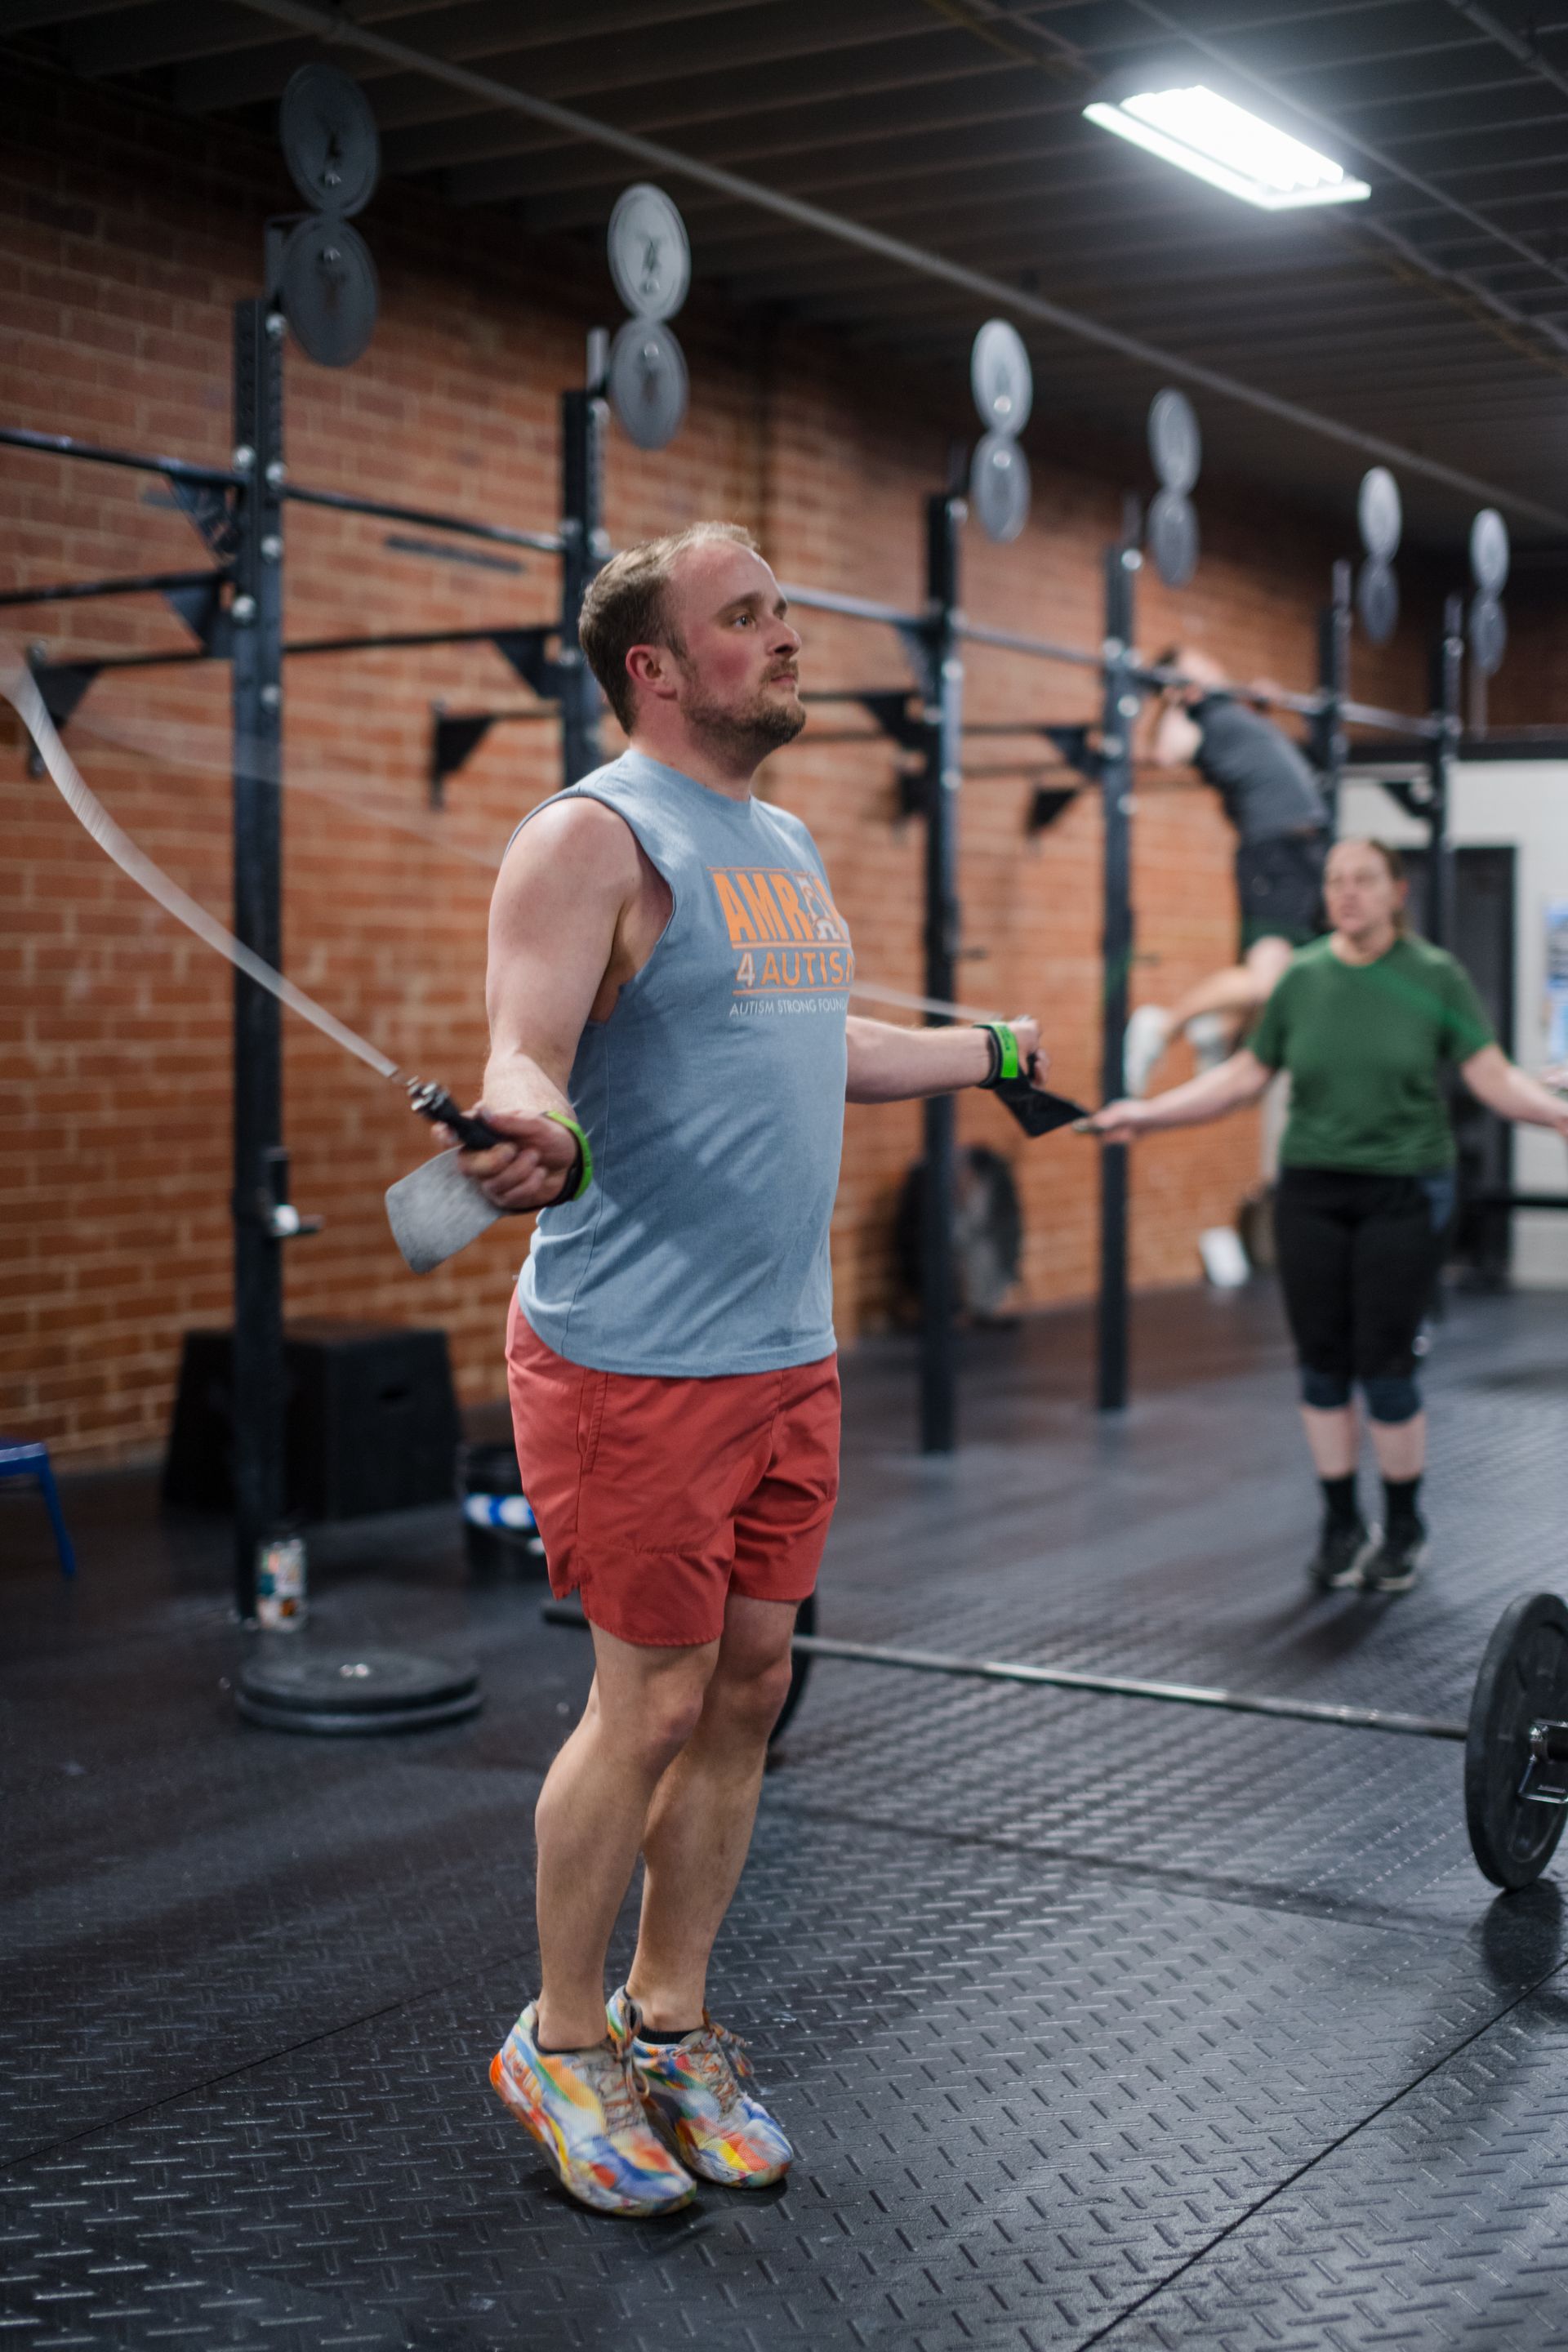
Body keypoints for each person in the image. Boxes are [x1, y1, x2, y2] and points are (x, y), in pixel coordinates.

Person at [452, 520, 1057, 2219]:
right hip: (636, 1361)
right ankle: (561, 2043)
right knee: (645, 1703)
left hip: (788, 1351)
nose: (788, 638)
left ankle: (673, 2023)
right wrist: (524, 1122)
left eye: (784, 610)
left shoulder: (779, 837)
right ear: (655, 667)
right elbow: (525, 1050)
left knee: (747, 1690)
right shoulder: (591, 836)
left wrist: (985, 1053)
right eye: (748, 617)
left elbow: (810, 1036)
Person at [1093, 838, 1568, 1596]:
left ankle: (1403, 1527)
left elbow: (1492, 1077)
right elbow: (1244, 1076)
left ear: (1396, 892)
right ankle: (1340, 1523)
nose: (1346, 893)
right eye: (1335, 881)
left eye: (1363, 880)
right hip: (1312, 1189)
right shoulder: (1301, 978)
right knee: (1321, 1364)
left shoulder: (1435, 976)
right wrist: (1148, 1114)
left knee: (1384, 1363)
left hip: (1405, 1190)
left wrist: (1553, 1114)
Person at [1123, 647, 1330, 1095]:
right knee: (1267, 980)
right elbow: (1163, 753)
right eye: (1198, 667)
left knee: (1296, 978)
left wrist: (1262, 705)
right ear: (1181, 685)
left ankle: (1217, 1031)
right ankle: (1163, 1026)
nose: (1213, 669)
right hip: (1274, 851)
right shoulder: (1195, 722)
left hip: (1305, 850)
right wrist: (1172, 701)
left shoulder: (1229, 710)